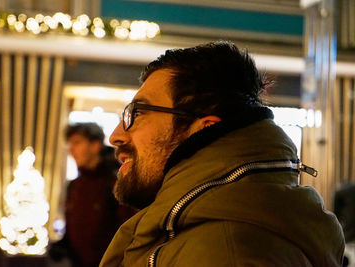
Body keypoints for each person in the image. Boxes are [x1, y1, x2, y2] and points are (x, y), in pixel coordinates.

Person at [100, 41, 345, 266]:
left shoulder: (225, 252)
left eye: (139, 113)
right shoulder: (194, 229)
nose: (115, 135)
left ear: (205, 129)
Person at [49, 123, 135, 267]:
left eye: (77, 143)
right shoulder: (74, 185)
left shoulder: (116, 182)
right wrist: (62, 246)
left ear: (95, 146)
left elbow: (127, 231)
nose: (72, 149)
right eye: (70, 144)